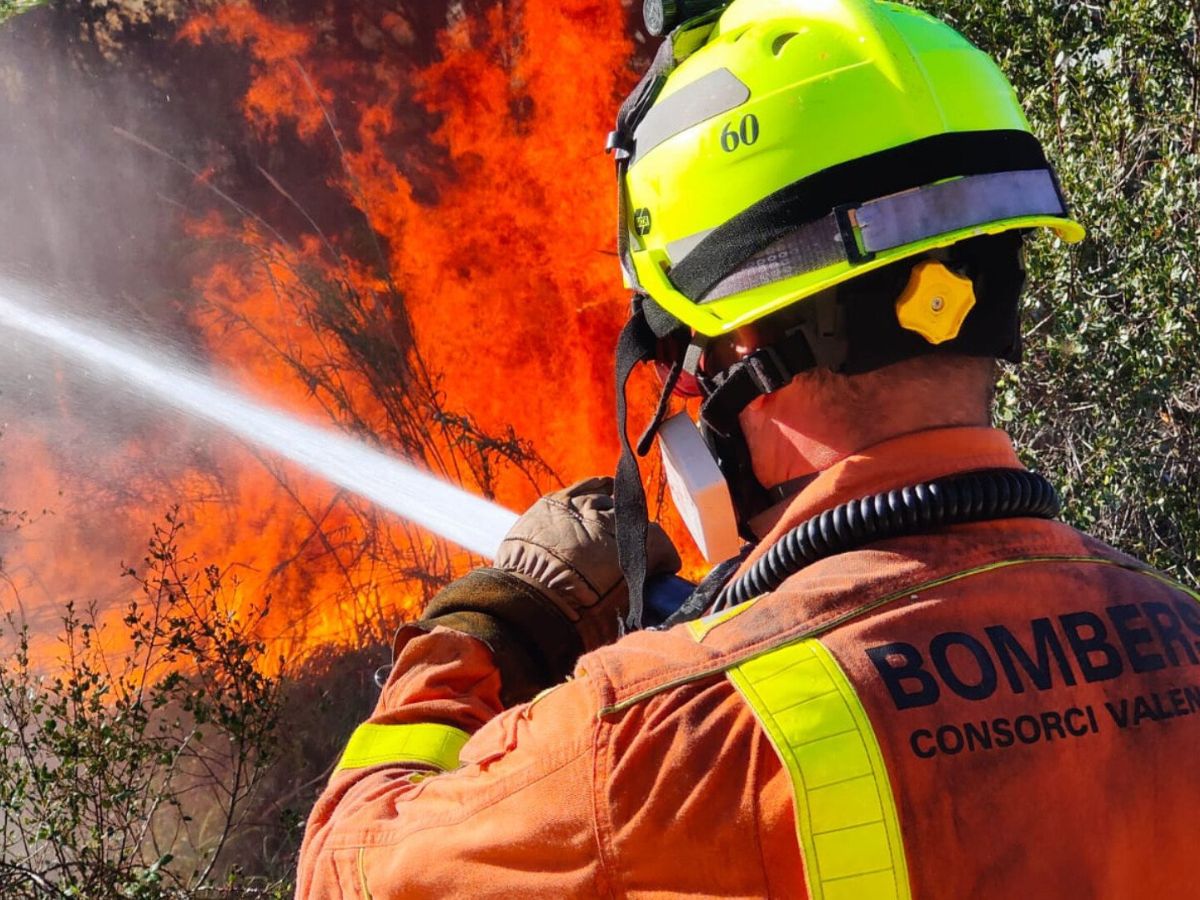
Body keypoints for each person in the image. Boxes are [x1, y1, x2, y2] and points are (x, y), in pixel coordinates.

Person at [296, 1, 1200, 896]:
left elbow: (351, 869)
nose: (688, 392)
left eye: (684, 357)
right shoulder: (1184, 633)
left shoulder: (659, 738)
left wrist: (496, 621)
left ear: (748, 349)